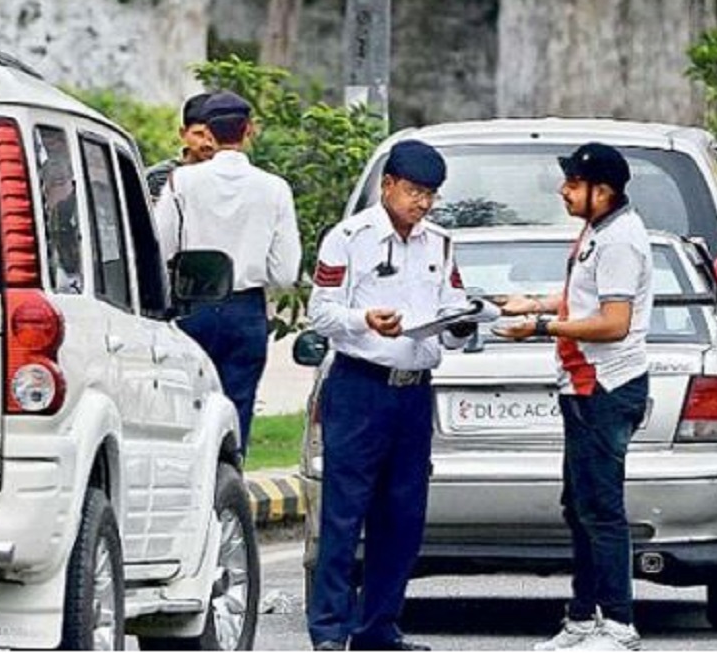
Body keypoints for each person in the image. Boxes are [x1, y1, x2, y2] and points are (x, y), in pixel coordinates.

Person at [306, 139, 499, 652]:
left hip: (413, 393)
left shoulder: (439, 243)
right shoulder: (349, 238)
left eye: (430, 194)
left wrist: (463, 323)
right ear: (387, 185)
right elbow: (320, 313)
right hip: (360, 386)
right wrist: (363, 319)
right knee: (345, 513)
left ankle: (379, 627)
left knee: (404, 515)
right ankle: (329, 630)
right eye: (414, 191)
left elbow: (451, 306)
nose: (422, 203)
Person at [495, 143, 653, 651]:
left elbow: (613, 322)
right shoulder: (597, 232)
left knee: (601, 508)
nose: (563, 191)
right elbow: (586, 298)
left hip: (605, 387)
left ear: (601, 192)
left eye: (572, 184)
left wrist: (540, 325)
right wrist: (534, 302)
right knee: (580, 505)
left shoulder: (621, 241)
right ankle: (583, 618)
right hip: (581, 385)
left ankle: (619, 625)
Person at [155, 90, 301, 455]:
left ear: (209, 133)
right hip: (245, 309)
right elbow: (286, 273)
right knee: (238, 410)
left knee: (188, 409)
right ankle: (229, 487)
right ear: (249, 130)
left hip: (192, 305)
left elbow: (162, 248)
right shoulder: (275, 188)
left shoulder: (181, 182)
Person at [145, 92, 215, 200]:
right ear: (183, 133)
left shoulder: (235, 178)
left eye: (215, 135)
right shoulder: (159, 178)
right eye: (199, 134)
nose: (207, 143)